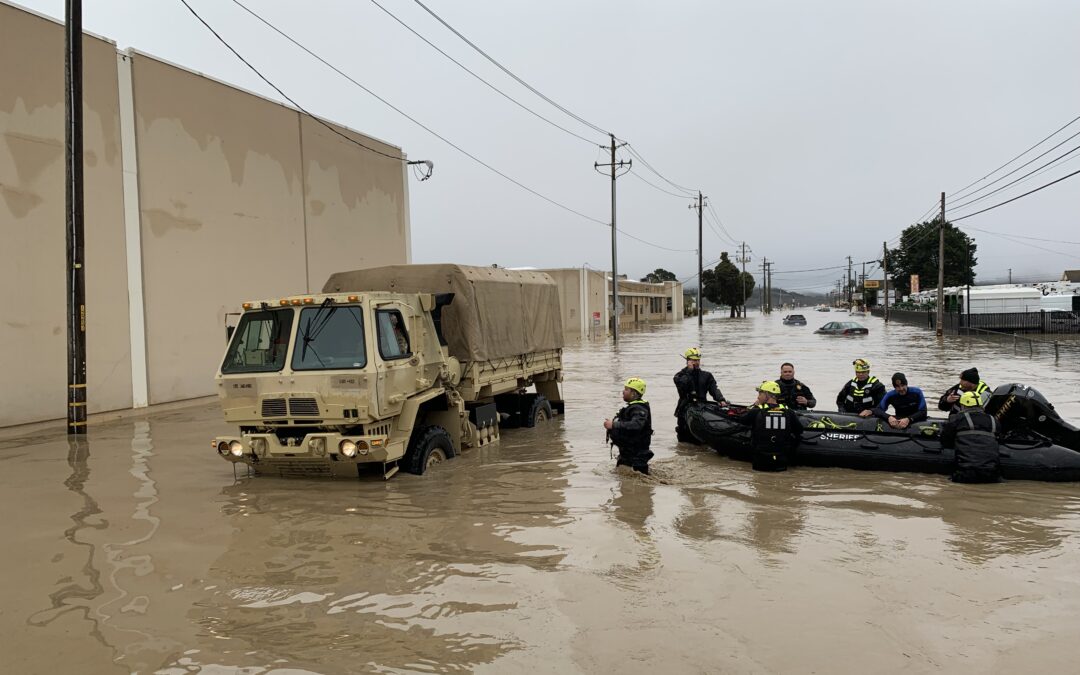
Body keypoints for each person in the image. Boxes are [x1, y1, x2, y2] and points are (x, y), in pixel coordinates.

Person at [736, 381, 803, 471]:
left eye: (760, 393)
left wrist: (754, 406)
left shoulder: (756, 411)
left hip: (761, 459)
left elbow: (742, 420)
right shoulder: (789, 412)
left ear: (767, 394)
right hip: (781, 459)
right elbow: (799, 430)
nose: (758, 397)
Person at [940, 390, 1001, 483]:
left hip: (965, 475)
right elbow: (998, 441)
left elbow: (945, 441)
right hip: (992, 475)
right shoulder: (994, 420)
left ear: (963, 405)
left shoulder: (956, 418)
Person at [674, 347, 728, 442]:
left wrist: (721, 399)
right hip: (684, 408)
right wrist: (689, 371)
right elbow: (682, 386)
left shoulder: (706, 375)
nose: (697, 362)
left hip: (702, 408)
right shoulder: (679, 376)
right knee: (684, 439)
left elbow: (714, 389)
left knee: (701, 439)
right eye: (694, 360)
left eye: (698, 360)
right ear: (688, 361)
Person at [604, 377, 654, 475]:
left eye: (626, 389)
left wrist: (613, 424)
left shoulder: (639, 409)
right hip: (628, 453)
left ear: (633, 393)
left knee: (638, 481)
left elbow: (636, 425)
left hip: (636, 456)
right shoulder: (631, 407)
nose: (623, 391)